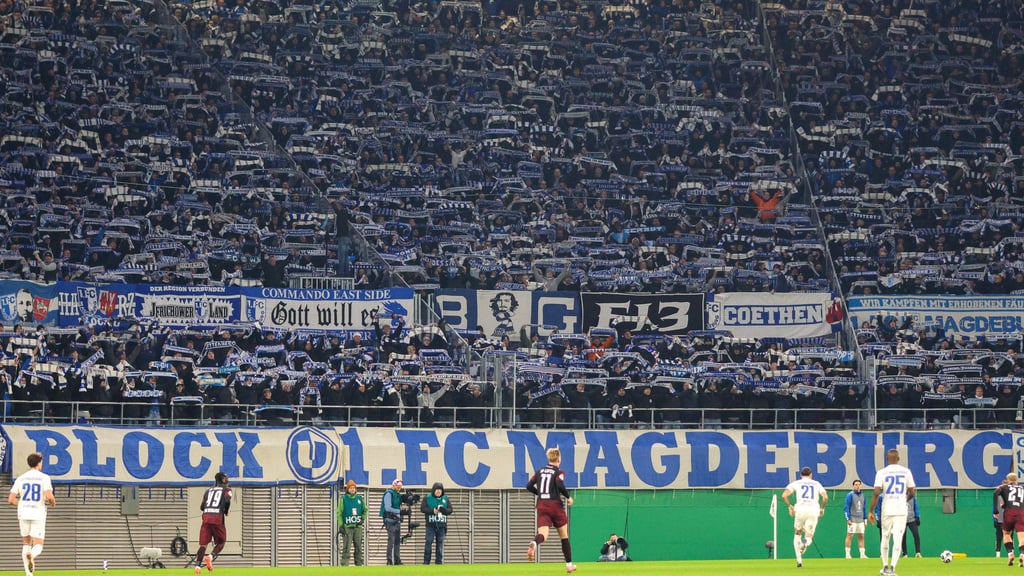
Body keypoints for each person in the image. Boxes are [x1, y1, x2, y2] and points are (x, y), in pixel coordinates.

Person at [526, 447, 576, 574]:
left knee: (543, 534)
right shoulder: (559, 472)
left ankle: (534, 543)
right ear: (559, 459)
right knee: (564, 536)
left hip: (542, 505)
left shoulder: (539, 471)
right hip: (555, 506)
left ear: (549, 458)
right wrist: (568, 497)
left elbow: (528, 486)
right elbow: (559, 484)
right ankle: (569, 565)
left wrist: (540, 494)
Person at [869, 449, 916, 576]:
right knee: (898, 539)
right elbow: (912, 492)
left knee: (885, 537)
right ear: (899, 458)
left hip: (887, 509)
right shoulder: (906, 471)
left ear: (886, 459)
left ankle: (884, 566)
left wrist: (870, 511)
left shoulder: (881, 472)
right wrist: (904, 499)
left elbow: (876, 492)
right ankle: (893, 568)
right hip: (901, 509)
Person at [8, 452, 55, 576]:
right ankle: (32, 555)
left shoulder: (21, 478)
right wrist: (53, 503)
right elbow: (49, 496)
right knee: (38, 544)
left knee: (26, 543)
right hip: (38, 513)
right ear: (39, 463)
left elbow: (11, 499)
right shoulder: (44, 477)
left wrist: (23, 505)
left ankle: (29, 574)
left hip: (23, 513)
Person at [781, 466, 828, 568]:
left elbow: (784, 496)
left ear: (801, 475)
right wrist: (822, 509)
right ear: (811, 474)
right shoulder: (816, 484)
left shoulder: (796, 483)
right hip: (813, 510)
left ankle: (799, 561)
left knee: (797, 534)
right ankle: (805, 542)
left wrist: (789, 506)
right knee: (808, 536)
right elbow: (825, 497)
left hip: (800, 510)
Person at [194, 472, 231, 574]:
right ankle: (210, 557)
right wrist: (226, 511)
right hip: (217, 518)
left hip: (206, 518)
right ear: (223, 480)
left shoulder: (208, 491)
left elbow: (202, 507)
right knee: (221, 543)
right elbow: (227, 501)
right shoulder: (226, 490)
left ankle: (197, 567)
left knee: (203, 545)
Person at [421, 481, 452, 564]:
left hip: (442, 525)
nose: (438, 491)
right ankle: (426, 562)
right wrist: (432, 510)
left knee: (440, 544)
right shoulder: (427, 497)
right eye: (437, 490)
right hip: (430, 525)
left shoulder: (445, 498)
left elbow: (450, 510)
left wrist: (444, 510)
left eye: (440, 490)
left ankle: (439, 562)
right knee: (428, 542)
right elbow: (423, 509)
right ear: (433, 490)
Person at [997, 472, 1024, 566]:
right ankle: (1022, 554)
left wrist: (996, 510)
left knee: (1007, 533)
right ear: (1017, 480)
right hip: (1021, 513)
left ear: (1008, 480)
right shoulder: (1022, 488)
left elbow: (996, 493)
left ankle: (1010, 553)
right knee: (1022, 536)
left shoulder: (1004, 487)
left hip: (1009, 512)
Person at [338, 480, 367, 566]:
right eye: (350, 488)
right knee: (346, 547)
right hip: (347, 527)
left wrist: (362, 518)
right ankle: (344, 564)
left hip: (358, 527)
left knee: (358, 546)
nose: (352, 489)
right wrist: (341, 525)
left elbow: (365, 510)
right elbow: (339, 513)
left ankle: (358, 564)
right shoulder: (343, 499)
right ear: (347, 489)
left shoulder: (360, 499)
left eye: (354, 488)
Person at [379, 479, 404, 565]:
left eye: (400, 487)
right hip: (390, 521)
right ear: (393, 485)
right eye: (398, 487)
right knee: (391, 541)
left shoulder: (397, 495)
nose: (399, 489)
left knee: (397, 541)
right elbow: (388, 508)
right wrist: (400, 511)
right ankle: (389, 560)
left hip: (397, 520)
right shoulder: (389, 494)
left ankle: (397, 560)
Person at [844, 479, 869, 559]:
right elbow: (846, 507)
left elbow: (864, 507)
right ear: (853, 486)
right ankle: (847, 554)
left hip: (860, 519)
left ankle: (862, 554)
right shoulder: (850, 495)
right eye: (856, 485)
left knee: (861, 536)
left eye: (859, 484)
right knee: (850, 535)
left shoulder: (863, 495)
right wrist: (848, 518)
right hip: (853, 519)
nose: (858, 486)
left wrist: (865, 519)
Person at [996, 478, 1010, 557]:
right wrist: (995, 519)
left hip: (1008, 519)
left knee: (1010, 536)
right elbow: (994, 508)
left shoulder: (1010, 496)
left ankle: (1010, 552)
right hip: (999, 519)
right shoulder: (997, 495)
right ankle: (998, 554)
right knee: (999, 537)